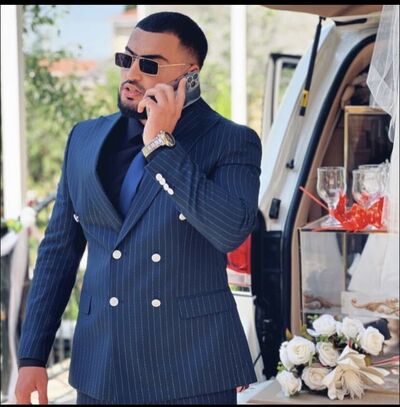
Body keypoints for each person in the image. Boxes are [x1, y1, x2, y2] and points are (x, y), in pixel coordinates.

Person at [15, 11, 261, 405]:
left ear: (190, 76)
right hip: (101, 370)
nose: (131, 73)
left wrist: (161, 145)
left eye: (149, 65)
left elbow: (230, 229)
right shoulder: (84, 138)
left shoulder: (231, 141)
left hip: (192, 369)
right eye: (126, 58)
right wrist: (32, 356)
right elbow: (59, 251)